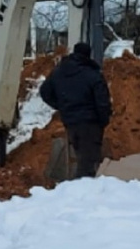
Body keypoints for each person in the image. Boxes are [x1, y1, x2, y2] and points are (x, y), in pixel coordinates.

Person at [40, 42, 112, 179]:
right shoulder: (93, 74)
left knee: (81, 158)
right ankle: (81, 194)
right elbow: (102, 102)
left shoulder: (59, 71)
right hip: (91, 123)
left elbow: (44, 92)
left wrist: (62, 106)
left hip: (70, 123)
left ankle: (77, 191)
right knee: (88, 165)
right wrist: (103, 121)